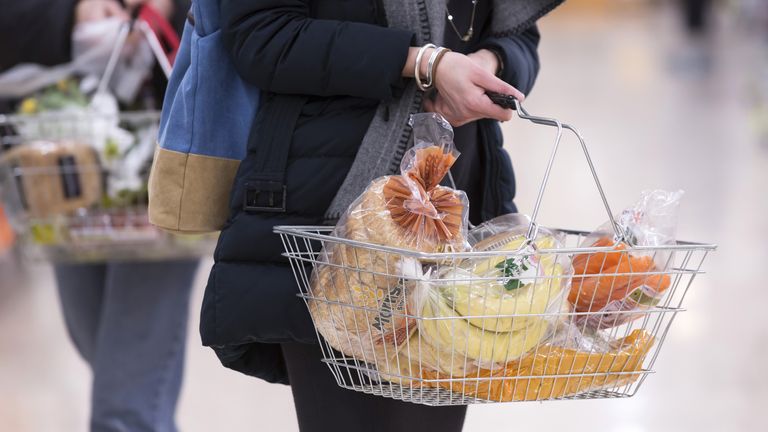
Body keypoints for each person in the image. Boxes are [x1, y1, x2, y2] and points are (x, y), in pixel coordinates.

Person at [199, 0, 562, 431]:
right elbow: (262, 33)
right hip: (335, 217)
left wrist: (488, 64)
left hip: (458, 214)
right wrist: (422, 63)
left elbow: (516, 32)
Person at [0, 1, 197, 431]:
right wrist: (71, 13)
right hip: (61, 171)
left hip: (168, 165)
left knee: (124, 407)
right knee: (103, 353)